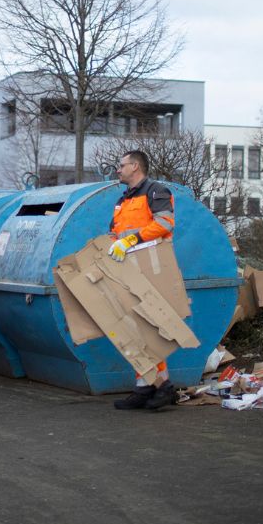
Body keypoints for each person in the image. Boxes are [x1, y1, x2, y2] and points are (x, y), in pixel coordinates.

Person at [108, 150, 178, 410]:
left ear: (135, 166)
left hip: (152, 269)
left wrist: (130, 240)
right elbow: (115, 232)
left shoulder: (155, 191)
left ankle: (163, 386)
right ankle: (145, 386)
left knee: (149, 330)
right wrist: (113, 245)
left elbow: (164, 223)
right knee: (135, 331)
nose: (118, 170)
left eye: (122, 165)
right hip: (129, 270)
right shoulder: (123, 199)